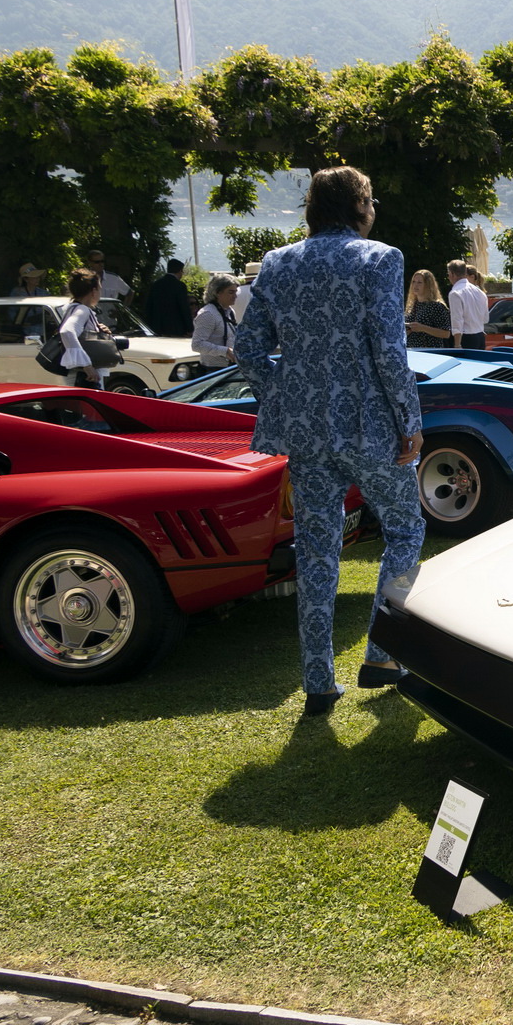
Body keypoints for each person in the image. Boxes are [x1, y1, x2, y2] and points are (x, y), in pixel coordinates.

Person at [235, 166, 427, 717]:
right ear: (359, 206)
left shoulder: (278, 262)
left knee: (317, 550)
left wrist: (286, 394)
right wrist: (410, 420)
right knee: (406, 529)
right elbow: (389, 351)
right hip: (370, 426)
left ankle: (318, 681)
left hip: (306, 432)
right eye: (371, 200)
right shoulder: (380, 258)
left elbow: (248, 349)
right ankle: (382, 655)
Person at [57, 269, 108, 390]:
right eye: (99, 289)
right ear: (93, 291)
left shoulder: (74, 308)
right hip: (83, 377)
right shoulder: (82, 310)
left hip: (82, 376)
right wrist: (87, 365)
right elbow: (67, 331)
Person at [190, 275, 239, 370]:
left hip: (230, 368)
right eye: (231, 292)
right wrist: (225, 351)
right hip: (213, 370)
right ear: (217, 293)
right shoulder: (208, 314)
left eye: (235, 292)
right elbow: (197, 344)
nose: (235, 296)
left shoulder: (230, 311)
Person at [144, 259, 195, 338]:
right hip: (176, 328)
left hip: (158, 327)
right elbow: (184, 308)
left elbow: (149, 306)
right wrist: (190, 328)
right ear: (180, 271)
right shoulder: (180, 286)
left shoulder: (156, 284)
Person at [446, 260, 488, 349]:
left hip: (465, 338)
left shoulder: (455, 293)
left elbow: (457, 320)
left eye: (448, 273)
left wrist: (457, 344)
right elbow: (485, 319)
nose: (448, 276)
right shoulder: (480, 292)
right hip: (480, 336)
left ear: (452, 274)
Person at [403, 268, 451, 347]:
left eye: (419, 282)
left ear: (428, 285)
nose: (415, 285)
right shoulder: (412, 305)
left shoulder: (437, 306)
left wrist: (423, 328)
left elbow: (446, 333)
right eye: (413, 282)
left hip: (430, 350)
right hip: (411, 349)